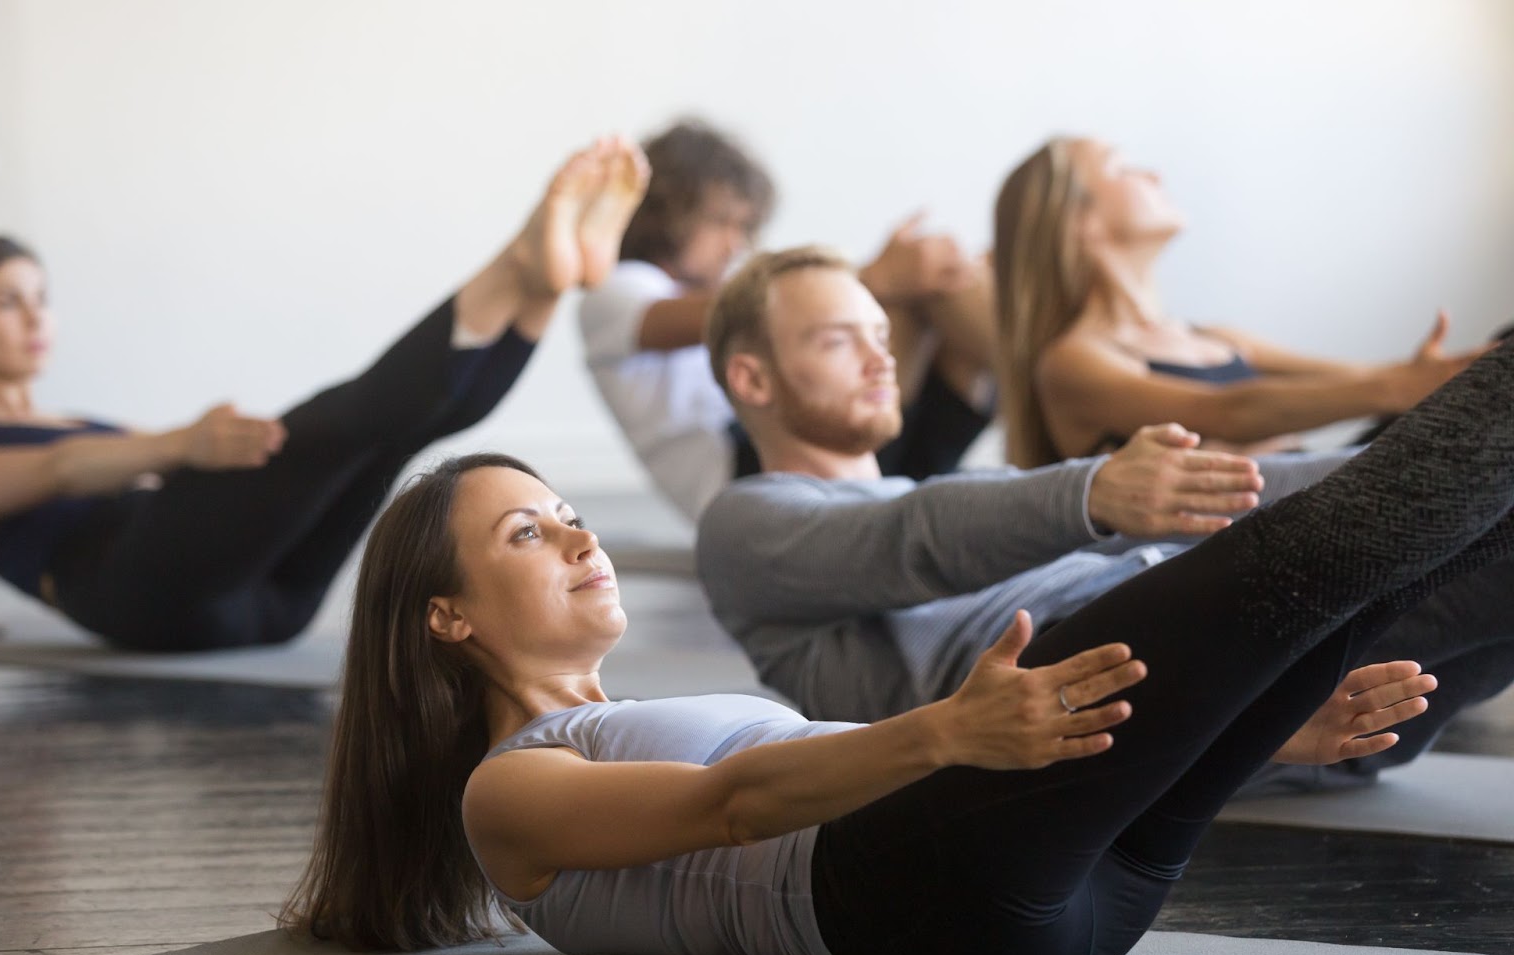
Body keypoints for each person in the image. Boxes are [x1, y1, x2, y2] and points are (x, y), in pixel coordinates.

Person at [280, 338, 1514, 955]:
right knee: (1304, 556)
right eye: (526, 533)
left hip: (1056, 906)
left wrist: (1276, 725)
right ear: (443, 618)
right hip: (909, 901)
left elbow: (786, 783)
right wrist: (943, 732)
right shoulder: (505, 791)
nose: (577, 534)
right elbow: (736, 804)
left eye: (565, 509)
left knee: (1348, 607)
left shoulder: (629, 719)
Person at [695, 248, 1514, 788]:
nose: (881, 357)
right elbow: (908, 538)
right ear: (753, 380)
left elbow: (1236, 487)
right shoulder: (743, 527)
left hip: (1260, 686)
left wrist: (1409, 467)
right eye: (840, 341)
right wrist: (1092, 494)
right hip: (1198, 669)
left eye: (881, 333)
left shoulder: (968, 497)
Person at [0, 137, 649, 651]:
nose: (37, 318)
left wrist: (190, 456)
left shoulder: (77, 423)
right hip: (148, 601)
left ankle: (540, 286)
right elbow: (58, 470)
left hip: (270, 607)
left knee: (388, 434)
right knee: (338, 420)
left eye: (41, 299)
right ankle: (520, 260)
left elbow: (122, 470)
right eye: (8, 302)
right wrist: (182, 444)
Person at [578, 118, 996, 521]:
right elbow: (736, 314)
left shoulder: (706, 289)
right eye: (723, 221)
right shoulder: (615, 290)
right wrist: (880, 276)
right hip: (756, 473)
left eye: (745, 226)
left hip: (831, 445)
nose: (735, 243)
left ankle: (1035, 376)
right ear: (667, 212)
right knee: (910, 292)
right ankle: (1040, 380)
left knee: (946, 288)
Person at [991, 136, 1488, 468]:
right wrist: (1400, 387)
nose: (1154, 174)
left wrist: (1434, 379)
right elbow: (1227, 412)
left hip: (1319, 498)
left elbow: (1361, 379)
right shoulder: (1073, 361)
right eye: (1122, 168)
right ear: (1077, 222)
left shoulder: (1217, 338)